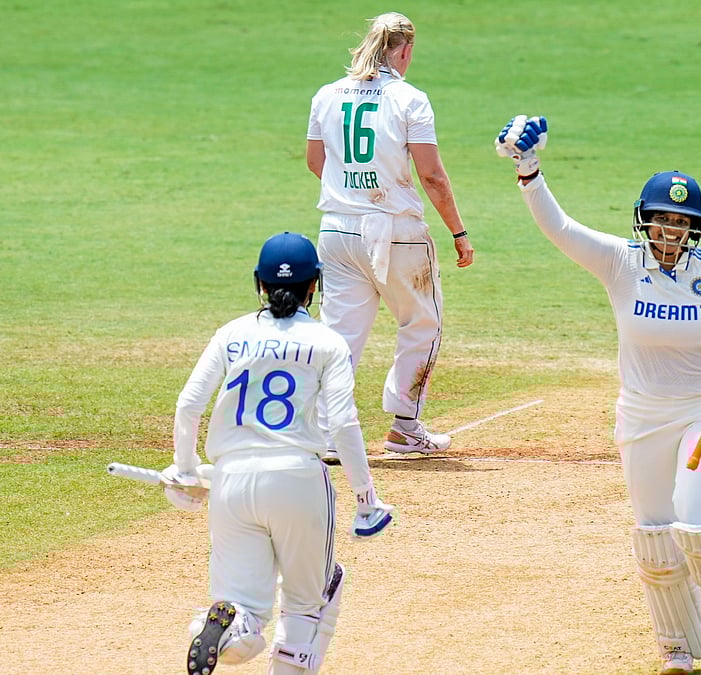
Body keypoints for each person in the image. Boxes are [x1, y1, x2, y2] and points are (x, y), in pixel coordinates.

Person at [494, 117, 701, 674]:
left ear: (695, 228)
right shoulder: (620, 264)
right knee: (656, 536)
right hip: (641, 415)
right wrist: (528, 170)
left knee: (695, 511)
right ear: (644, 221)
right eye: (661, 220)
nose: (669, 231)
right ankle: (676, 647)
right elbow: (559, 228)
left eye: (681, 222)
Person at [168, 232, 394, 674]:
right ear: (317, 285)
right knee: (313, 600)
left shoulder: (232, 334)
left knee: (246, 607)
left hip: (231, 482)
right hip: (297, 480)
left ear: (259, 283)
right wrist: (366, 499)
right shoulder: (328, 343)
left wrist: (186, 470)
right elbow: (343, 422)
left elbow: (189, 405)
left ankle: (232, 625)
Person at [306, 12, 474, 460]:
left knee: (339, 335)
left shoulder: (327, 95)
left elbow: (315, 161)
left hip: (337, 229)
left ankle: (325, 436)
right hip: (395, 229)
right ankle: (404, 427)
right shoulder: (409, 99)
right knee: (422, 323)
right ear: (405, 50)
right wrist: (458, 232)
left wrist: (350, 192)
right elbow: (432, 176)